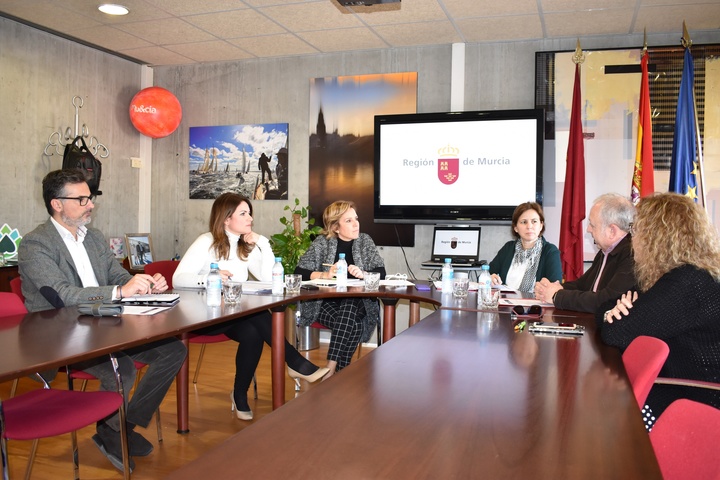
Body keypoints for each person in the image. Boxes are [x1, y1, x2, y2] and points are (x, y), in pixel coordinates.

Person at [18, 169, 187, 474]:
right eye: (82, 199)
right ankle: (113, 431)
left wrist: (145, 282)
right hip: (59, 338)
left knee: (173, 351)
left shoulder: (93, 237)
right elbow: (61, 295)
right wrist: (121, 290)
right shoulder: (35, 245)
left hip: (106, 326)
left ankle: (121, 427)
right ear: (57, 204)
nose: (90, 204)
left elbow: (116, 276)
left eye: (90, 197)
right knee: (118, 367)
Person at [173, 192, 328, 420]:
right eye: (243, 214)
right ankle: (294, 362)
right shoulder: (206, 242)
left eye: (250, 214)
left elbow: (268, 279)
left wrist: (262, 243)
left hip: (231, 316)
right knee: (256, 318)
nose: (250, 219)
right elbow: (178, 278)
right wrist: (211, 277)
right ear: (226, 219)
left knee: (253, 332)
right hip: (202, 316)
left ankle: (239, 394)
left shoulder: (243, 245)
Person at [601, 193, 720, 429]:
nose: (633, 238)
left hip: (696, 402)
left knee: (602, 415)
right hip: (678, 388)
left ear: (655, 236)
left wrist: (613, 316)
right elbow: (605, 308)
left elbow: (616, 333)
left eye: (636, 229)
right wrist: (611, 313)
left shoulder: (688, 282)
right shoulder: (675, 276)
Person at [295, 200, 386, 379]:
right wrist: (325, 274)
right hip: (325, 304)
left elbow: (381, 272)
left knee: (351, 302)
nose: (356, 224)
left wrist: (363, 273)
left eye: (356, 219)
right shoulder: (323, 242)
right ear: (336, 227)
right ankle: (340, 375)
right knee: (355, 325)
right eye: (349, 221)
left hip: (360, 304)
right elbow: (299, 271)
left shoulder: (365, 241)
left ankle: (331, 368)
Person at [534, 193, 636, 313]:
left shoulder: (632, 255)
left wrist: (557, 296)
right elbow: (583, 285)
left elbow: (606, 300)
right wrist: (552, 288)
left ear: (612, 231)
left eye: (592, 225)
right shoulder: (606, 251)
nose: (588, 229)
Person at [488, 202, 562, 292]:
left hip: (536, 305)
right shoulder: (508, 248)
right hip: (505, 303)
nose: (529, 226)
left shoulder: (550, 251)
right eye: (524, 222)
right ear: (516, 227)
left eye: (534, 221)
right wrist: (490, 278)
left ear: (541, 225)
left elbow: (555, 287)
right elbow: (486, 274)